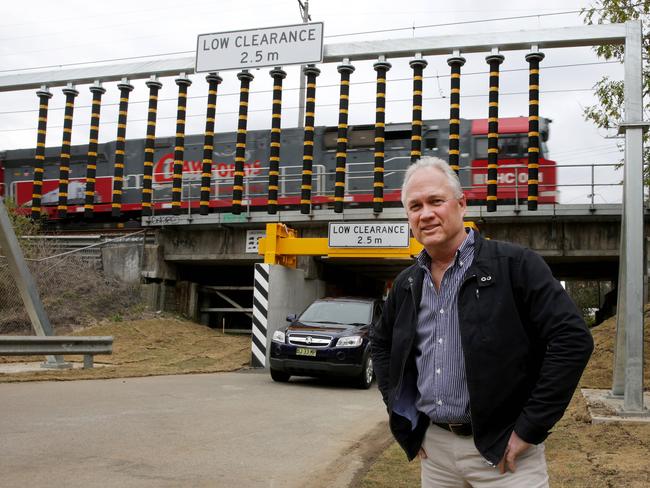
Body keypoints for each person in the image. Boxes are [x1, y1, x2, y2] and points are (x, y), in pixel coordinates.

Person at [370, 157, 593, 487]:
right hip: (436, 454)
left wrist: (530, 427)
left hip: (506, 455)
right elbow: (382, 343)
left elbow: (573, 339)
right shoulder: (407, 283)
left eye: (435, 201)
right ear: (408, 217)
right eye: (415, 206)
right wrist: (402, 412)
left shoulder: (515, 266)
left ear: (461, 204)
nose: (425, 214)